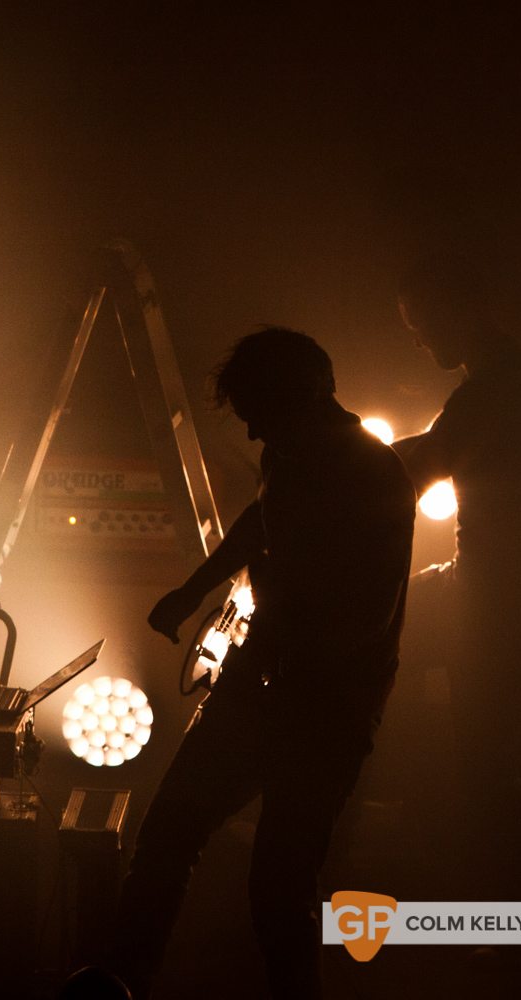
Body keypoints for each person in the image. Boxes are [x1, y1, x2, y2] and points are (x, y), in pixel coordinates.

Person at [111, 328, 415, 999]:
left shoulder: (371, 475)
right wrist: (195, 590)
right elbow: (261, 520)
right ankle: (121, 984)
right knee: (174, 841)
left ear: (301, 395)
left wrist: (272, 628)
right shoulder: (294, 452)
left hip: (323, 710)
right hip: (271, 688)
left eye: (257, 413)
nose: (251, 433)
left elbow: (360, 620)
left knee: (274, 884)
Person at [392, 253, 521, 897]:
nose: (419, 339)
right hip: (493, 585)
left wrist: (326, 464)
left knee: (486, 760)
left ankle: (508, 910)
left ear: (460, 310)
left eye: (422, 323)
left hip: (499, 599)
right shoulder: (509, 380)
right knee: (489, 754)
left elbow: (415, 470)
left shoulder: (490, 392)